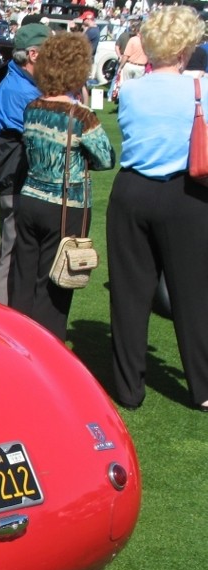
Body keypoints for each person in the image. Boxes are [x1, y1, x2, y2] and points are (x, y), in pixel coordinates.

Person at [107, 4, 208, 411]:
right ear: (186, 48)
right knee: (194, 295)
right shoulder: (200, 89)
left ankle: (128, 389)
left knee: (129, 296)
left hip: (130, 193)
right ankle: (202, 388)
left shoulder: (131, 89)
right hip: (184, 195)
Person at [8, 32, 114, 341]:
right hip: (65, 205)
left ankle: (18, 341)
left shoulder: (33, 107)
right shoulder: (81, 116)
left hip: (30, 199)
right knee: (55, 285)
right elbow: (107, 157)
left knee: (24, 278)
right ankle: (46, 348)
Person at [0, 22, 48, 304]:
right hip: (15, 178)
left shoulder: (21, 83)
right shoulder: (20, 92)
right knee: (10, 249)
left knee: (13, 248)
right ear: (34, 55)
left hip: (14, 176)